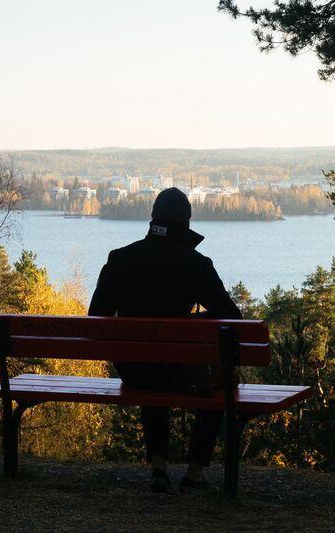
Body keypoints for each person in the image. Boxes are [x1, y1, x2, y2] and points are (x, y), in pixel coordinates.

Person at [88, 187, 242, 494]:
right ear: (186, 221)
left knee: (149, 364)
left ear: (153, 219)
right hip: (178, 374)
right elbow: (233, 319)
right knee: (223, 382)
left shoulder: (118, 260)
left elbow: (96, 319)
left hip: (134, 373)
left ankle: (159, 467)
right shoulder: (195, 263)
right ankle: (195, 472)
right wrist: (195, 322)